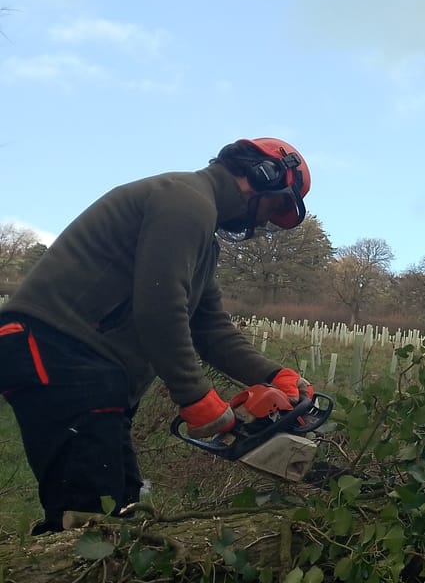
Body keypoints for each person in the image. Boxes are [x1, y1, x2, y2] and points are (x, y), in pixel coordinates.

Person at [0, 137, 315, 534]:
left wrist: (273, 376)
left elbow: (211, 329)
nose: (270, 220)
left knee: (123, 507)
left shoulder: (200, 232)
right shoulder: (185, 202)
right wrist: (195, 397)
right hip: (56, 349)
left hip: (86, 370)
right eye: (279, 206)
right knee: (89, 520)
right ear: (261, 175)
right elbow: (160, 309)